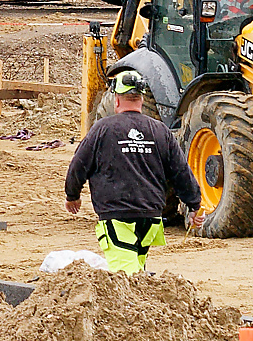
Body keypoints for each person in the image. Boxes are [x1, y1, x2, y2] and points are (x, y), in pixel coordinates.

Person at [64, 70, 201, 273]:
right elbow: (181, 171)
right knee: (137, 271)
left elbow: (79, 165)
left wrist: (72, 195)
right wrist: (194, 204)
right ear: (141, 98)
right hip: (151, 218)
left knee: (125, 277)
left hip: (118, 216)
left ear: (116, 100)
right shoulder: (160, 131)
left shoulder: (102, 129)